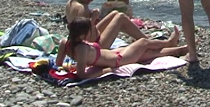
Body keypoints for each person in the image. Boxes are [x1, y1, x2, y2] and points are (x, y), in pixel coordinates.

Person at [55, 18, 186, 80]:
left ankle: (179, 50)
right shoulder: (82, 49)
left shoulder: (64, 42)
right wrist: (106, 70)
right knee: (143, 42)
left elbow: (58, 65)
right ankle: (170, 42)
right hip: (119, 60)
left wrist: (68, 67)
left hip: (113, 54)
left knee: (148, 54)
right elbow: (82, 75)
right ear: (83, 34)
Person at [64, 0, 145, 44]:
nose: (91, 0)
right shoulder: (82, 8)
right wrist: (93, 17)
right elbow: (83, 31)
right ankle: (145, 39)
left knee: (115, 13)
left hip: (83, 40)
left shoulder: (70, 3)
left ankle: (141, 38)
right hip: (93, 44)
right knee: (120, 17)